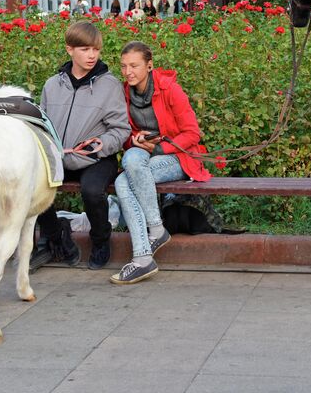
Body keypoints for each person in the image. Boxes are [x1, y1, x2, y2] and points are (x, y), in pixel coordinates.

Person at [110, 41, 211, 284]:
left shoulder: (170, 89)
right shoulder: (124, 93)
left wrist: (159, 147)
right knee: (131, 160)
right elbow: (125, 133)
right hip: (145, 154)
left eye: (134, 65)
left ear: (149, 65)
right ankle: (146, 252)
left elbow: (192, 133)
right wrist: (134, 140)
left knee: (124, 180)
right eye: (123, 66)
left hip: (179, 157)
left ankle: (150, 242)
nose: (128, 72)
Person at [34, 21, 131, 270]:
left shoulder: (109, 85)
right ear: (70, 49)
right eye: (85, 49)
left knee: (91, 191)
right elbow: (41, 126)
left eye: (96, 50)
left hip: (96, 159)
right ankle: (58, 238)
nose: (91, 55)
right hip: (59, 158)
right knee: (34, 186)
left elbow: (120, 129)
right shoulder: (52, 85)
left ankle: (100, 241)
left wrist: (101, 144)